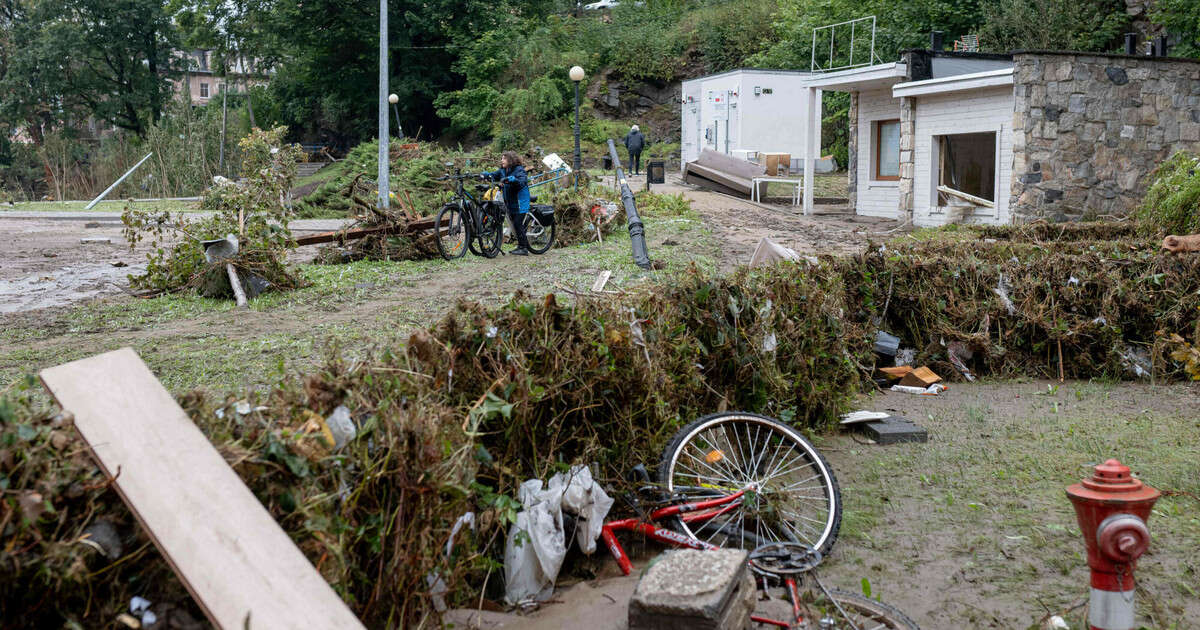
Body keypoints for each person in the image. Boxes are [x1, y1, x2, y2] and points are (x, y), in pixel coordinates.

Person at [483, 151, 532, 255]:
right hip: (510, 202)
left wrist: (511, 179)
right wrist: (485, 175)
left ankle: (523, 248)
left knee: (518, 223)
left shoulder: (519, 170)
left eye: (504, 158)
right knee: (515, 224)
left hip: (520, 201)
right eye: (501, 158)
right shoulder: (503, 170)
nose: (502, 160)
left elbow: (522, 182)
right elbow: (493, 175)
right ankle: (521, 244)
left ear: (511, 160)